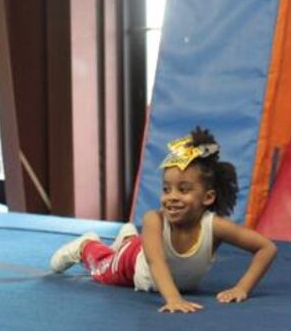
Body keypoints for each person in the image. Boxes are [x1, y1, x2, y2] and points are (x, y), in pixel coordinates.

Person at [49, 126, 278, 313]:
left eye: (183, 189)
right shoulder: (154, 220)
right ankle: (85, 246)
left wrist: (242, 288)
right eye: (166, 189)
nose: (172, 198)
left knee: (136, 244)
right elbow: (155, 261)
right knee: (101, 271)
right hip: (135, 266)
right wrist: (173, 298)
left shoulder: (214, 226)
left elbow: (266, 248)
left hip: (146, 247)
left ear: (208, 197)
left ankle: (128, 237)